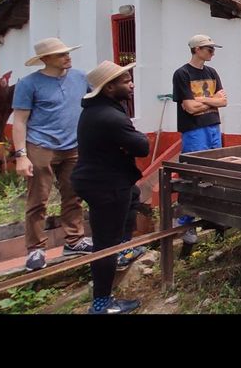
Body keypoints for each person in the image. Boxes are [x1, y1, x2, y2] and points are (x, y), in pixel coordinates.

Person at [72, 61, 148, 314]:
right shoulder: (109, 117)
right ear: (109, 87)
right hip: (105, 185)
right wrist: (134, 140)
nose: (132, 84)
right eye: (126, 82)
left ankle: (123, 249)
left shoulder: (100, 110)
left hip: (109, 179)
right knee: (105, 243)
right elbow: (142, 146)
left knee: (134, 197)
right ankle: (102, 302)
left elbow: (132, 142)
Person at [12, 38, 92, 271]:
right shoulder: (29, 84)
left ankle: (75, 240)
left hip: (73, 145)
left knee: (73, 194)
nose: (67, 57)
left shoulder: (79, 77)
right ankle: (35, 249)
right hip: (41, 145)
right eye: (60, 55)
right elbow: (19, 120)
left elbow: (96, 98)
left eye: (67, 53)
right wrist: (21, 155)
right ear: (45, 59)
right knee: (38, 198)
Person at [172, 34, 228, 246]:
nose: (212, 53)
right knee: (193, 173)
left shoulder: (212, 72)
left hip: (213, 126)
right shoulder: (182, 73)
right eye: (208, 49)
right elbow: (188, 107)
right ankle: (186, 221)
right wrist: (212, 102)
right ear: (197, 49)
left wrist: (203, 100)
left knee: (215, 172)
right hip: (194, 129)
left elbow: (223, 101)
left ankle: (213, 216)